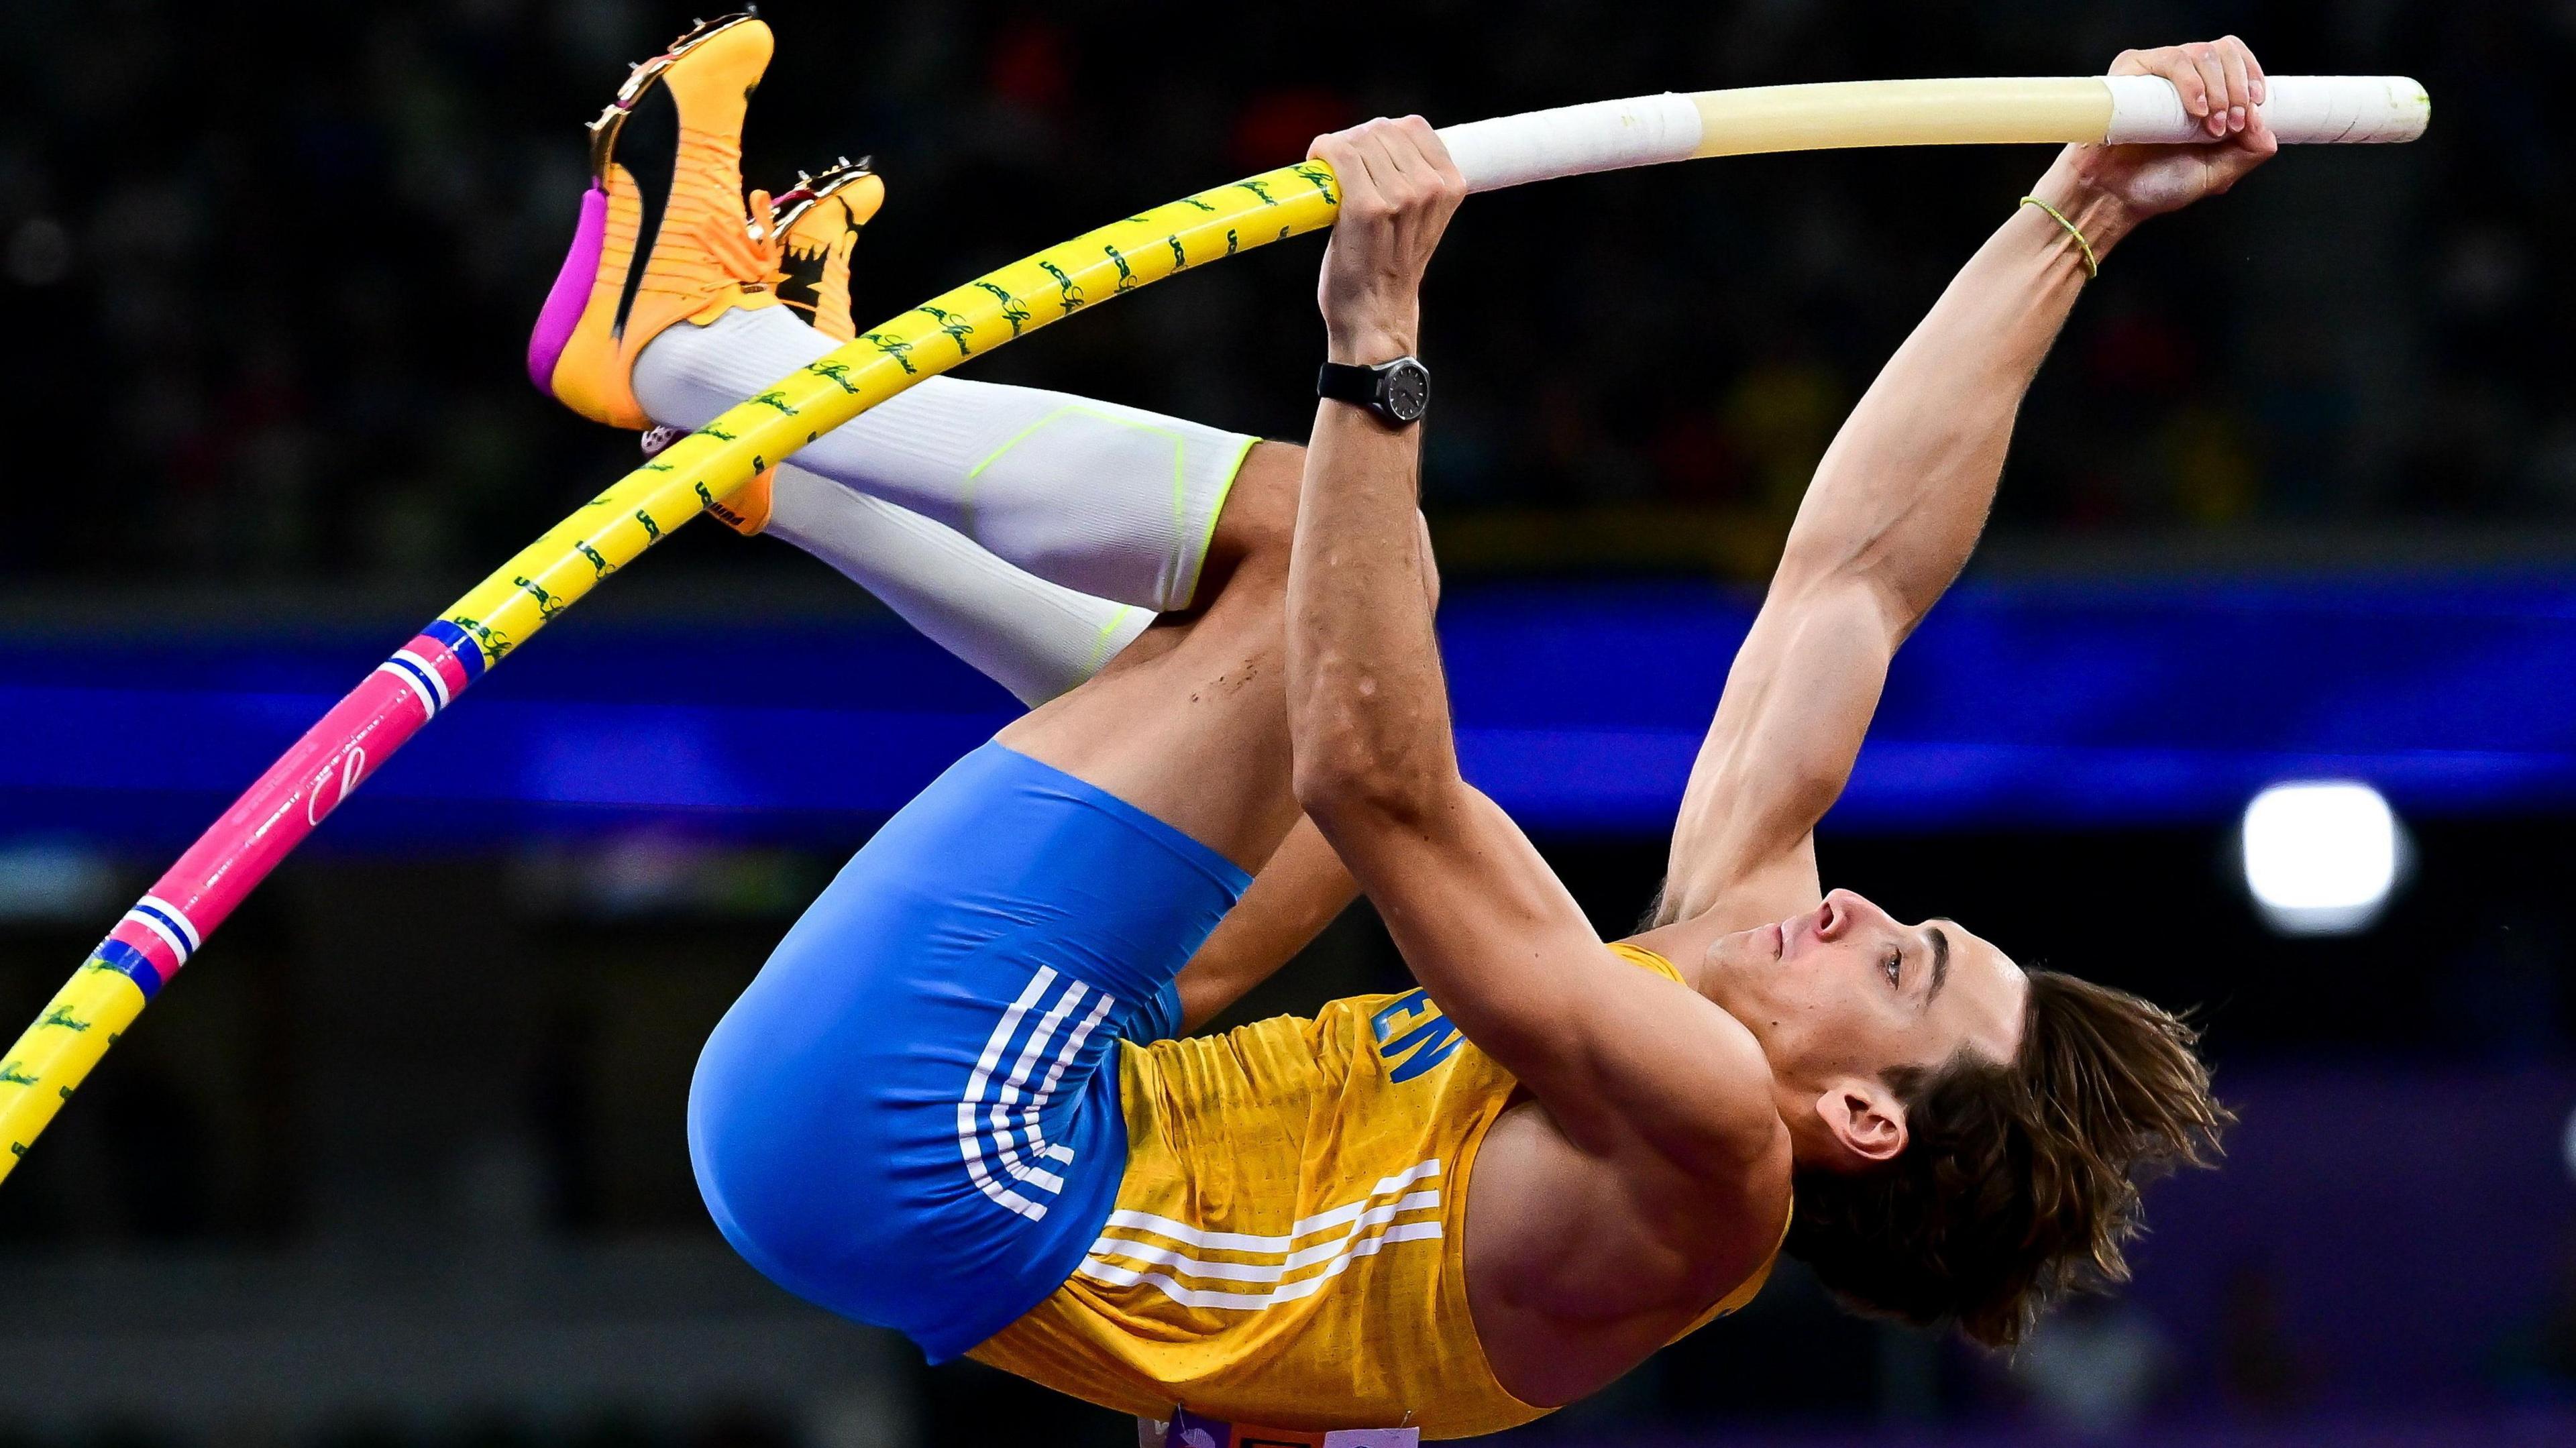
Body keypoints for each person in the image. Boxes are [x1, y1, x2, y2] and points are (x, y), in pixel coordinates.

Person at [531, 16, 2257, 1439]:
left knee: (1326, 554)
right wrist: (2078, 217)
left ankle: (697, 362)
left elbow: (1383, 781)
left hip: (911, 1142)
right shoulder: (1734, 986)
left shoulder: (1711, 1139)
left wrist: (1376, 335)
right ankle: (790, 446)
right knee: (1298, 726)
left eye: (1900, 968)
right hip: (1032, 1119)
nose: (1861, 911)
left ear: (1864, 1123)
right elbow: (1854, 581)